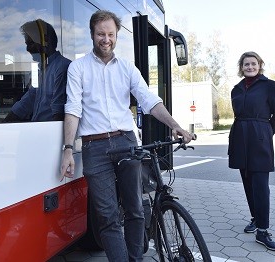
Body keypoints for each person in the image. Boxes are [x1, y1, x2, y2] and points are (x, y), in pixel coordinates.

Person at [60, 10, 194, 262]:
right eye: (101, 34)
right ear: (92, 34)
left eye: (111, 34)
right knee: (107, 216)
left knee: (135, 210)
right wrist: (68, 148)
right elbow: (73, 109)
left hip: (126, 142)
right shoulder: (78, 68)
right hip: (94, 147)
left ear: (116, 35)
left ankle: (136, 259)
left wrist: (175, 125)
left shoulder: (127, 68)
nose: (106, 39)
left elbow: (149, 100)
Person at [228, 51, 275, 251]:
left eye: (253, 64)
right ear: (241, 67)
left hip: (260, 137)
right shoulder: (236, 89)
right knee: (247, 182)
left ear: (260, 65)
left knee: (260, 185)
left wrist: (266, 132)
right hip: (240, 137)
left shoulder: (270, 86)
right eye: (246, 64)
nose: (250, 67)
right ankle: (255, 217)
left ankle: (262, 230)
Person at [4, 19, 71, 122]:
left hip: (48, 133)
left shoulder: (62, 67)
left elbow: (58, 113)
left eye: (30, 43)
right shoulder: (41, 71)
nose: (27, 48)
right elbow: (27, 101)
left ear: (45, 41)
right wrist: (4, 124)